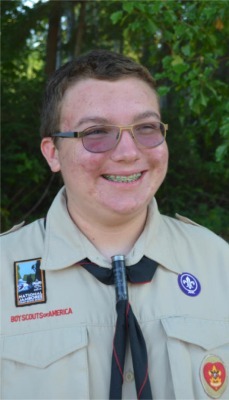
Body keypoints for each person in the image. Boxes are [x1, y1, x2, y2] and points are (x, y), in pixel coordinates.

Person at [1, 49, 229, 400]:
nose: (127, 152)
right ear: (52, 153)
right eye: (96, 132)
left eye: (146, 128)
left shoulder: (217, 262)